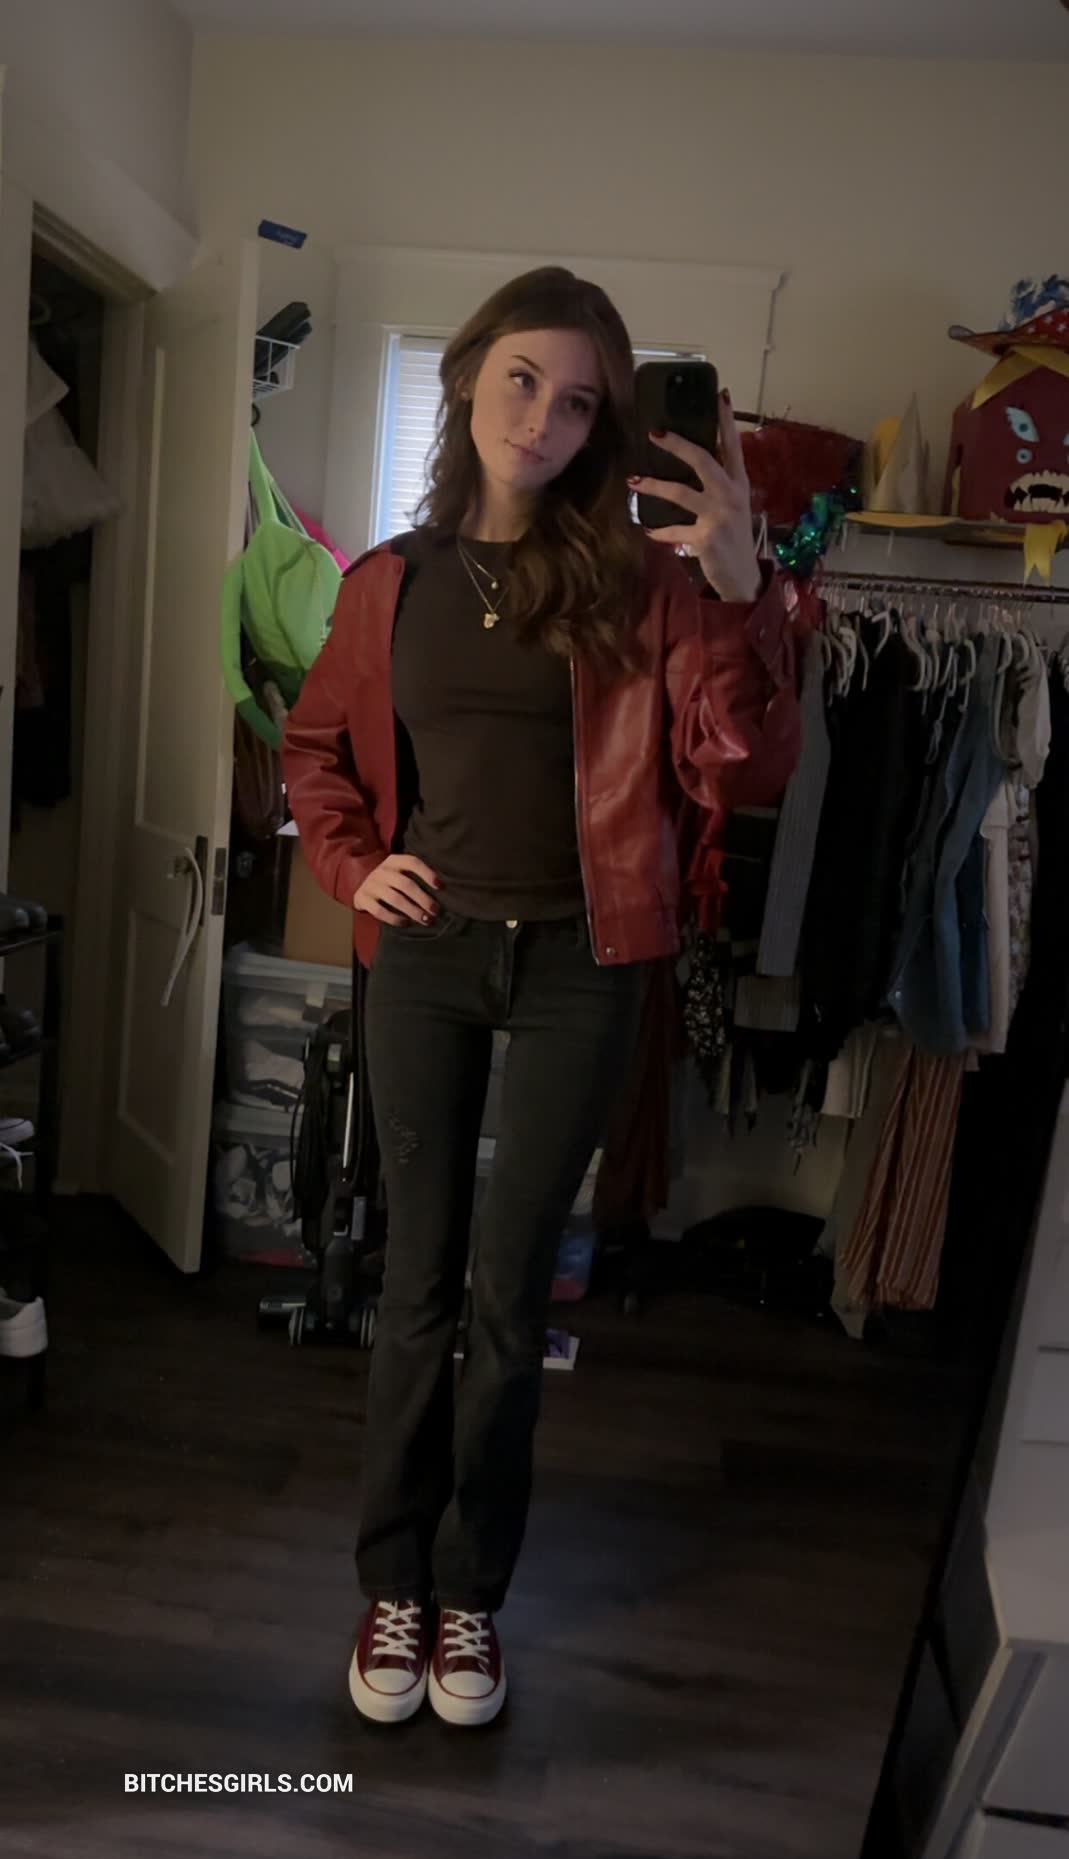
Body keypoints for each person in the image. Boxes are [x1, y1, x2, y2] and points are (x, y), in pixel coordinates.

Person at [283, 266, 801, 1729]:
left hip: (586, 958)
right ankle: (393, 1580)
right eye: (522, 380)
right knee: (416, 1277)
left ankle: (470, 1598)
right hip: (429, 952)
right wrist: (354, 864)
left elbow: (743, 771)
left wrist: (746, 596)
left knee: (512, 1292)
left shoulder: (649, 589)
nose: (543, 419)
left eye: (579, 403)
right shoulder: (388, 584)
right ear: (467, 379)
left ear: (602, 428)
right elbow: (313, 751)